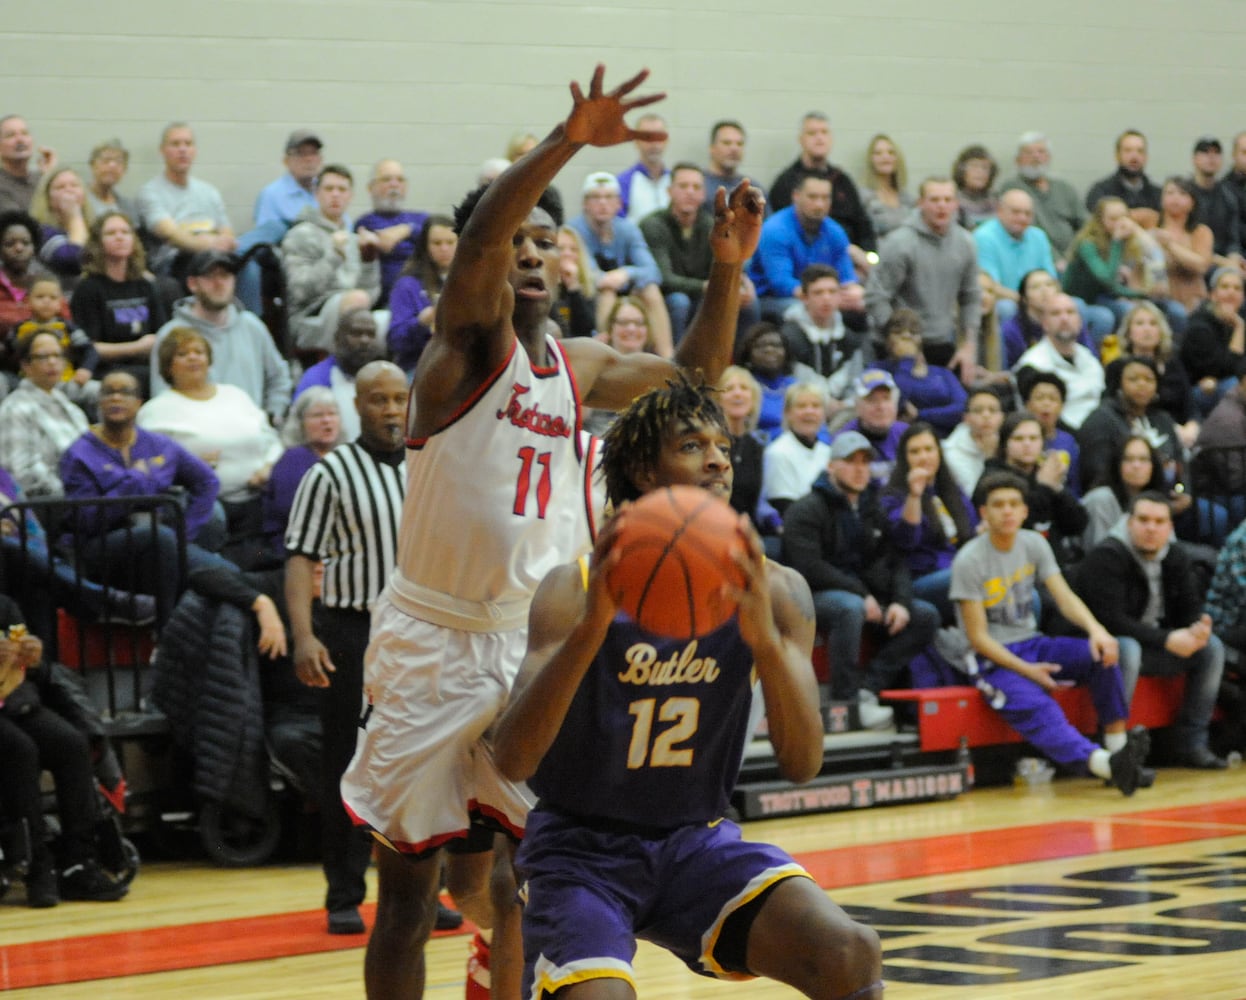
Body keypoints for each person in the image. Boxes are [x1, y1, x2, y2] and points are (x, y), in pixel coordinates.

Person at [337, 66, 761, 1000]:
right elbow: (485, 233)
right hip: (433, 643)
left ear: (568, 260)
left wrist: (727, 269)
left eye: (546, 242)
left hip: (538, 638)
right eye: (515, 242)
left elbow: (693, 380)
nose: (528, 254)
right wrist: (567, 141)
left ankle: (503, 977)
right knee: (408, 896)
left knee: (536, 871)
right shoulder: (458, 356)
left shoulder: (581, 365)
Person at [493, 375, 884, 1000]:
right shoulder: (575, 587)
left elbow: (804, 762)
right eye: (693, 445)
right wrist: (594, 626)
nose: (719, 459)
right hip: (579, 852)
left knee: (849, 951)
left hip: (695, 841)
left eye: (723, 445)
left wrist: (765, 645)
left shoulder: (775, 588)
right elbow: (511, 758)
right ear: (644, 472)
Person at [283, 361, 419, 935]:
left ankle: (419, 889)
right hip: (350, 629)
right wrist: (304, 634)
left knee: (419, 765)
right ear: (357, 406)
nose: (390, 410)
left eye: (398, 399)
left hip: (418, 634)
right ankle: (343, 892)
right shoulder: (330, 472)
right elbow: (299, 556)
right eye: (378, 401)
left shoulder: (426, 465)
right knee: (346, 762)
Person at [942, 470, 1149, 794]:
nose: (1007, 511)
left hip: (1033, 643)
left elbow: (1064, 597)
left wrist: (1097, 631)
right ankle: (1105, 764)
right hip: (991, 660)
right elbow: (978, 639)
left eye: (1014, 504)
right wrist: (1028, 671)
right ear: (984, 512)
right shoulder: (969, 560)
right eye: (998, 505)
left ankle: (1121, 754)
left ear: (1025, 511)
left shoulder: (1033, 544)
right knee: (1040, 707)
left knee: (1101, 655)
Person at [783, 429, 939, 729]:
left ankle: (869, 689)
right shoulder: (806, 509)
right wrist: (861, 593)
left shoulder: (871, 506)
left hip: (861, 594)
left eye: (865, 462)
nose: (859, 469)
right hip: (810, 595)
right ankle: (846, 703)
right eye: (850, 461)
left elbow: (894, 560)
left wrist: (900, 602)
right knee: (849, 607)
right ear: (831, 466)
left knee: (925, 615)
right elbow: (809, 567)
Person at [1069, 492, 1227, 769]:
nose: (1151, 528)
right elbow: (1111, 621)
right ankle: (1114, 751)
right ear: (1129, 522)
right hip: (1099, 648)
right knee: (1126, 648)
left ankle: (1193, 743)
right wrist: (1167, 639)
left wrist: (1196, 630)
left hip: (1151, 644)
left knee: (1211, 647)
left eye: (1159, 521)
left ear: (1170, 527)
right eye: (1143, 520)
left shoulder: (1175, 556)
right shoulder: (1107, 556)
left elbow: (1189, 607)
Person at [59, 370, 233, 619]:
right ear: (99, 402)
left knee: (228, 576)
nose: (116, 398)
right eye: (109, 392)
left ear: (139, 403)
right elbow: (87, 518)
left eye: (125, 392)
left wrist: (186, 533)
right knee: (159, 538)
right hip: (102, 547)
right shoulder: (79, 453)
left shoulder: (159, 445)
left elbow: (207, 481)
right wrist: (136, 480)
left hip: (162, 543)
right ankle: (166, 633)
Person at [0, 599, 129, 907]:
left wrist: (35, 660)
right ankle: (37, 867)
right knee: (22, 750)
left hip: (16, 705)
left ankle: (78, 863)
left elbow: (39, 676)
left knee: (72, 744)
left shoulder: (6, 608)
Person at [138, 326, 283, 556]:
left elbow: (271, 439)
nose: (193, 357)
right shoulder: (155, 411)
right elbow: (147, 467)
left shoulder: (235, 395)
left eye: (199, 351)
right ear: (168, 366)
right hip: (203, 509)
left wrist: (269, 466)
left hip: (257, 498)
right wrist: (189, 468)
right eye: (183, 354)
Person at [149, 249, 291, 421]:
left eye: (225, 276)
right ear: (192, 284)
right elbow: (162, 396)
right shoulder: (171, 335)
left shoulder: (252, 325)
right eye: (210, 277)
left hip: (251, 433)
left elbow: (279, 378)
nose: (219, 283)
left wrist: (271, 416)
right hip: (195, 435)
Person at [865, 177, 980, 379]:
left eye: (947, 199)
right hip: (897, 345)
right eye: (934, 200)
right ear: (920, 203)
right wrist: (901, 343)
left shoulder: (966, 242)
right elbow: (876, 297)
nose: (941, 206)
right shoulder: (900, 243)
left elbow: (970, 296)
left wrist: (968, 346)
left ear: (956, 204)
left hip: (940, 342)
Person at [638, 162, 759, 344]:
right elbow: (665, 278)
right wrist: (705, 286)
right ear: (669, 191)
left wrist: (741, 283)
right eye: (683, 186)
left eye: (696, 187)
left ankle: (742, 365)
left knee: (748, 303)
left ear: (703, 194)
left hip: (704, 293)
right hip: (667, 296)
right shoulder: (652, 225)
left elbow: (726, 263)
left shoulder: (713, 224)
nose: (690, 192)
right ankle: (675, 366)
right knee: (680, 302)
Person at [568, 170, 674, 357]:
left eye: (609, 197)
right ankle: (607, 356)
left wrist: (626, 274)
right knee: (608, 292)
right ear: (585, 204)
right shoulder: (574, 230)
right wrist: (610, 279)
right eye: (595, 197)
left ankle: (668, 358)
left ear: (618, 203)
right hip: (588, 294)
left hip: (624, 289)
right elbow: (589, 276)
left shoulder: (627, 229)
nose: (602, 203)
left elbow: (653, 271)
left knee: (651, 290)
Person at [881, 421, 978, 622]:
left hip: (960, 569)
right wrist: (914, 496)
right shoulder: (892, 496)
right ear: (904, 458)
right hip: (921, 579)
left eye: (929, 449)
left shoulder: (952, 490)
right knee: (966, 577)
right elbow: (906, 541)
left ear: (939, 452)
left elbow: (970, 534)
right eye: (915, 452)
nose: (924, 457)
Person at [282, 164, 382, 354]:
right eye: (329, 189)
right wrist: (334, 256)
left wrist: (369, 261)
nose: (336, 195)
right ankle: (346, 370)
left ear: (350, 196)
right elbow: (299, 291)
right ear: (317, 193)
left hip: (353, 308)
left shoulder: (354, 238)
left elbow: (371, 296)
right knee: (357, 303)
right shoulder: (300, 234)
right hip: (310, 316)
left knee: (387, 321)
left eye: (342, 189)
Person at [68, 211, 167, 391]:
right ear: (98, 243)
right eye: (111, 233)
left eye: (125, 232)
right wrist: (136, 347)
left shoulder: (145, 285)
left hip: (145, 364)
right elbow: (89, 348)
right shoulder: (88, 289)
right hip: (105, 370)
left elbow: (161, 333)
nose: (119, 237)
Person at [768, 111, 876, 268]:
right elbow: (781, 232)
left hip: (851, 261)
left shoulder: (842, 180)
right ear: (801, 140)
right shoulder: (786, 183)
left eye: (824, 132)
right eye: (812, 133)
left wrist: (869, 256)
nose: (819, 138)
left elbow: (862, 224)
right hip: (805, 263)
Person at [749, 172, 864, 318]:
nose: (819, 204)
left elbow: (847, 278)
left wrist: (853, 293)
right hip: (774, 299)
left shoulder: (835, 231)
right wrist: (824, 298)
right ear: (796, 196)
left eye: (825, 198)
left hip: (821, 296)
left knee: (859, 306)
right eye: (813, 197)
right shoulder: (775, 230)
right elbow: (781, 284)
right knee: (802, 311)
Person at [983, 411, 1087, 569]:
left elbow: (1077, 525)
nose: (1027, 444)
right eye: (1018, 438)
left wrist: (1057, 488)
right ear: (1005, 444)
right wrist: (1044, 487)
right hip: (1015, 566)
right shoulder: (993, 479)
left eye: (1033, 438)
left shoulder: (1044, 473)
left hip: (1055, 563)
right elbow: (1022, 525)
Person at [135, 122, 236, 281]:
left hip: (215, 256)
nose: (182, 150)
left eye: (188, 144)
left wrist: (223, 244)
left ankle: (241, 307)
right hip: (176, 262)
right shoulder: (149, 192)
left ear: (194, 151)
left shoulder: (209, 191)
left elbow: (227, 231)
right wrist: (208, 245)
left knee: (248, 267)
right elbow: (171, 234)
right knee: (204, 265)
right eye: (175, 144)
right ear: (162, 151)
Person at [0, 332, 89, 497]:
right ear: (26, 365)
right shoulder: (15, 408)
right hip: (48, 506)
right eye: (43, 357)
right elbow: (20, 472)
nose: (52, 362)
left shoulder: (71, 408)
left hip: (85, 500)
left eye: (57, 355)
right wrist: (71, 493)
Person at [1077, 356, 1181, 493]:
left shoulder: (1163, 419)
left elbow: (1181, 462)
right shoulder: (1101, 420)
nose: (1142, 384)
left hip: (1164, 497)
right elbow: (1098, 473)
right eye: (1133, 379)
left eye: (1149, 379)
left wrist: (1184, 492)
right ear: (1119, 384)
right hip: (1119, 500)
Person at [261, 386, 343, 560]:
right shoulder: (293, 459)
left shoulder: (344, 454)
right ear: (300, 423)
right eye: (317, 415)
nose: (327, 420)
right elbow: (291, 513)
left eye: (332, 414)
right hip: (295, 551)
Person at [779, 264, 865, 416]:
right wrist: (824, 402)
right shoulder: (788, 337)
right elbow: (791, 384)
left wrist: (844, 404)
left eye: (832, 292)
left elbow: (856, 383)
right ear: (805, 298)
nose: (826, 298)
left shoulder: (851, 338)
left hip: (844, 411)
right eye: (818, 293)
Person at [1014, 292, 1105, 430]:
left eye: (1070, 312)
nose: (1064, 318)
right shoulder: (1033, 364)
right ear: (1045, 324)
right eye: (1056, 313)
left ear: (1080, 321)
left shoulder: (1089, 358)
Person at [1061, 197, 1160, 325]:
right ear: (1100, 221)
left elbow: (1113, 288)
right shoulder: (1088, 244)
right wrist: (1117, 241)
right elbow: (1107, 278)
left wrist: (1143, 294)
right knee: (1104, 318)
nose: (1120, 223)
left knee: (1132, 310)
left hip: (1100, 297)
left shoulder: (1122, 241)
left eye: (1124, 218)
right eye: (1113, 219)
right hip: (1076, 299)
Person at [293, 308, 386, 441]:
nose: (364, 340)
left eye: (371, 334)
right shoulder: (316, 379)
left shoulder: (384, 378)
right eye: (356, 333)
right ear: (337, 338)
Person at [870, 307, 966, 436]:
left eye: (913, 332)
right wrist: (906, 361)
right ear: (887, 339)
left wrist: (920, 414)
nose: (907, 337)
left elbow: (963, 408)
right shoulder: (878, 370)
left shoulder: (941, 373)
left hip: (946, 438)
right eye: (898, 332)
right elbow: (895, 402)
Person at [1080, 434, 1181, 550]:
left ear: (1153, 466)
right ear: (1117, 464)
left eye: (1143, 459)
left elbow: (1168, 549)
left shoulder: (1156, 500)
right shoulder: (1100, 500)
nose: (1136, 465)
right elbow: (1098, 554)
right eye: (1128, 459)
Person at [998, 131, 1087, 257]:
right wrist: (1057, 261)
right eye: (1028, 153)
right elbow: (1025, 232)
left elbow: (1086, 226)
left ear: (1048, 158)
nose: (1036, 157)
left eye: (1041, 152)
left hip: (1074, 258)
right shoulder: (1012, 189)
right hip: (1036, 258)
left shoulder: (1065, 188)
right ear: (1017, 160)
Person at [718, 365, 781, 543]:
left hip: (748, 534)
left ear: (753, 399)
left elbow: (761, 504)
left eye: (744, 388)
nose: (738, 394)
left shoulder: (759, 446)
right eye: (729, 388)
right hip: (713, 530)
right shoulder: (710, 443)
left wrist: (778, 524)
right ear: (717, 399)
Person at [12, 277, 98, 406]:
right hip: (28, 385)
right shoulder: (19, 329)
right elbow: (8, 354)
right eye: (40, 297)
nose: (46, 302)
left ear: (60, 303)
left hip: (65, 381)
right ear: (28, 301)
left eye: (53, 298)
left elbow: (90, 351)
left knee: (97, 390)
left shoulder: (67, 328)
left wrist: (85, 369)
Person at [387, 215, 457, 373]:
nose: (444, 249)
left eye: (450, 242)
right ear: (425, 246)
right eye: (437, 243)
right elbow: (395, 341)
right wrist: (420, 323)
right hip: (418, 365)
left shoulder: (470, 281)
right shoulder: (407, 284)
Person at [355, 159, 429, 307]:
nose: (394, 185)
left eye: (400, 180)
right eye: (386, 179)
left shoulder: (421, 218)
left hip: (426, 294)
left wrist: (407, 230)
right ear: (371, 188)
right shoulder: (365, 223)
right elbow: (385, 243)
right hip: (387, 301)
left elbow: (441, 234)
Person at [1180, 265, 1246, 416]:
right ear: (1213, 294)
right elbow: (1225, 370)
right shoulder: (1199, 325)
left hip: (1224, 384)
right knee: (1234, 385)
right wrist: (1239, 328)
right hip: (1197, 393)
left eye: (1237, 288)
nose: (1231, 292)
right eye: (1225, 287)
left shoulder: (1241, 319)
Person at [761, 382, 832, 516]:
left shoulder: (828, 452)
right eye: (801, 406)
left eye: (815, 406)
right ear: (788, 413)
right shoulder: (777, 453)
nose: (809, 411)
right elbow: (784, 506)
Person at [833, 368, 910, 489]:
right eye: (872, 400)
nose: (881, 407)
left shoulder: (907, 434)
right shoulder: (843, 441)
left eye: (886, 398)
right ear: (858, 407)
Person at [1153, 176, 1213, 316]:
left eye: (1182, 194)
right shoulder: (1150, 220)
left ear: (1192, 202)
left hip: (1191, 299)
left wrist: (1170, 245)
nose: (1175, 198)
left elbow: (1202, 265)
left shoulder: (1200, 231)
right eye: (1170, 193)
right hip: (1154, 297)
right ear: (1162, 199)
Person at [736, 321, 803, 440]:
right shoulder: (741, 387)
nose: (769, 350)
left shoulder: (795, 386)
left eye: (776, 345)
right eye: (760, 346)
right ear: (748, 354)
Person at [1084, 130, 1163, 229]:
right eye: (1128, 150)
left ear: (1146, 157)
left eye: (1140, 151)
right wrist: (1143, 216)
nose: (1134, 156)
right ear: (1117, 156)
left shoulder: (1158, 195)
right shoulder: (1100, 191)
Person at [29, 166, 93, 287]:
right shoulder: (42, 232)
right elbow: (72, 260)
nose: (69, 190)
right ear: (48, 198)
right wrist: (74, 216)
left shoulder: (95, 227)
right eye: (60, 187)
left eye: (74, 185)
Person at [1189, 136, 1244, 271]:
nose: (1211, 157)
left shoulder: (1229, 195)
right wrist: (1225, 263)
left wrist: (1234, 258)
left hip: (1224, 263)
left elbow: (1233, 239)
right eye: (1205, 152)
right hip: (1192, 260)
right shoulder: (1184, 195)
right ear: (1194, 159)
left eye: (1216, 153)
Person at [253, 129, 323, 233]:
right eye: (301, 154)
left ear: (321, 159)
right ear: (286, 161)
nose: (309, 159)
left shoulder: (328, 190)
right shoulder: (271, 195)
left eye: (313, 153)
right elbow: (265, 239)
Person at [0, 210, 55, 342]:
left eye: (25, 243)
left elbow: (65, 323)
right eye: (9, 244)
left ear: (34, 248)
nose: (18, 248)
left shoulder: (46, 284)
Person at [943, 386, 1005, 497]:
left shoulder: (1009, 442)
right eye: (978, 411)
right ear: (966, 418)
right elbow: (974, 496)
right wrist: (989, 458)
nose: (986, 415)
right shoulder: (951, 454)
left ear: (1002, 417)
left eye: (993, 410)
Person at [615, 112, 670, 221]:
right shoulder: (622, 183)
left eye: (659, 137)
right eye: (647, 137)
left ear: (667, 141)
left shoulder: (676, 181)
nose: (654, 144)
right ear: (636, 141)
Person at [860, 133, 914, 240]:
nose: (885, 157)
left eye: (891, 152)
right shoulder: (862, 197)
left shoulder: (907, 198)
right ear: (871, 160)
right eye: (878, 153)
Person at [702, 119, 765, 208]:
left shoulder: (753, 188)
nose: (734, 149)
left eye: (739, 144)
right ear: (712, 148)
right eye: (727, 143)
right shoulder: (697, 185)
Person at [0, 115, 55, 213]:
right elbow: (20, 221)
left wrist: (50, 176)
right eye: (11, 135)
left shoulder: (41, 178)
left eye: (25, 133)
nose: (20, 139)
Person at [553, 225, 597, 339]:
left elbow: (586, 328)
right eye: (561, 248)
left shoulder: (587, 285)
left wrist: (573, 286)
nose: (567, 253)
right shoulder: (543, 284)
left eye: (573, 249)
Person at [84, 139, 136, 220]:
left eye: (119, 162)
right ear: (93, 165)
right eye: (106, 160)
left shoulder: (128, 207)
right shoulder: (80, 199)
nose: (112, 166)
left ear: (124, 170)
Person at [952, 144, 999, 230]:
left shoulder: (996, 199)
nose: (980, 172)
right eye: (974, 166)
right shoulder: (953, 200)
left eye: (985, 168)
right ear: (961, 171)